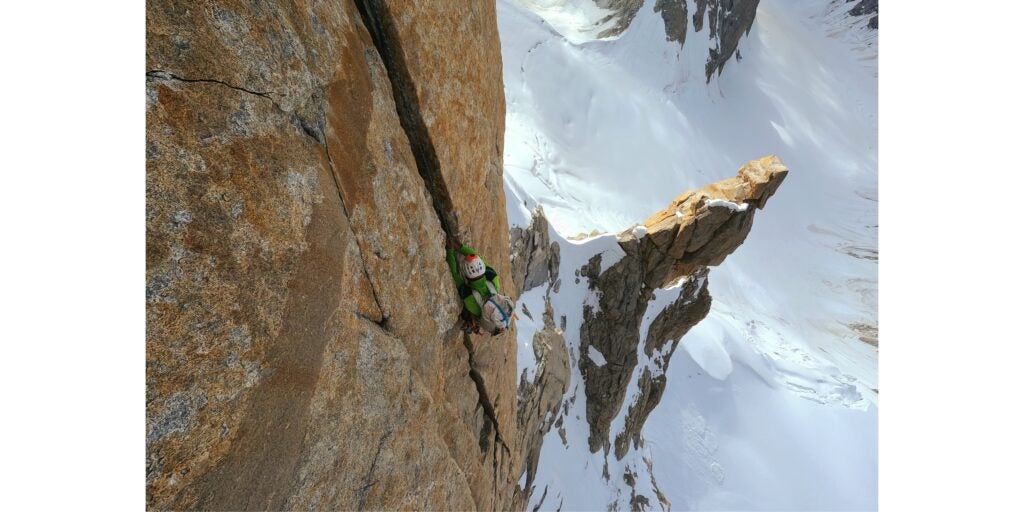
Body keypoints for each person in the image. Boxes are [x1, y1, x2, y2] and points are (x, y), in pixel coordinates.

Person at [445, 234, 512, 336]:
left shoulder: (471, 299)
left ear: (467, 276)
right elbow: (476, 260)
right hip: (496, 317)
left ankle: (473, 325)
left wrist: (456, 248)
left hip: (486, 320)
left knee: (470, 316)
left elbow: (456, 272)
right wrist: (453, 248)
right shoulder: (493, 278)